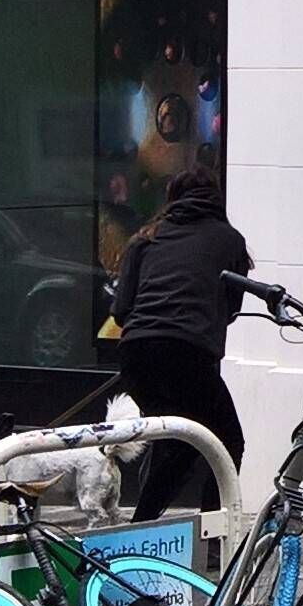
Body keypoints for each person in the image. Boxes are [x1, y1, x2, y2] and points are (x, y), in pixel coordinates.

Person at [109, 171, 250, 520]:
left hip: (136, 352)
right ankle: (213, 533)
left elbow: (121, 309)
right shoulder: (229, 240)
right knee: (227, 440)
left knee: (175, 442)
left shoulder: (147, 237)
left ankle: (145, 527)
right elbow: (232, 306)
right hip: (188, 351)